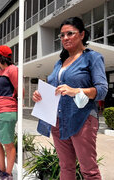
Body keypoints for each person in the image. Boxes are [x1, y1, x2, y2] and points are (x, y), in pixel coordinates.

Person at [32, 17, 108, 180]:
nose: (65, 38)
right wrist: (40, 95)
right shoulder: (59, 63)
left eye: (70, 33)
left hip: (82, 119)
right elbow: (55, 90)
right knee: (66, 167)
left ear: (82, 35)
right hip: (58, 120)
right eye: (62, 35)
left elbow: (102, 90)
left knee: (89, 170)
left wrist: (76, 90)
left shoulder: (92, 58)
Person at [0, 45, 19, 180]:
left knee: (8, 143)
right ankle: (1, 170)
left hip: (7, 111)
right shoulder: (0, 72)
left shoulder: (12, 69)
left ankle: (9, 173)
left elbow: (20, 90)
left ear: (1, 56)